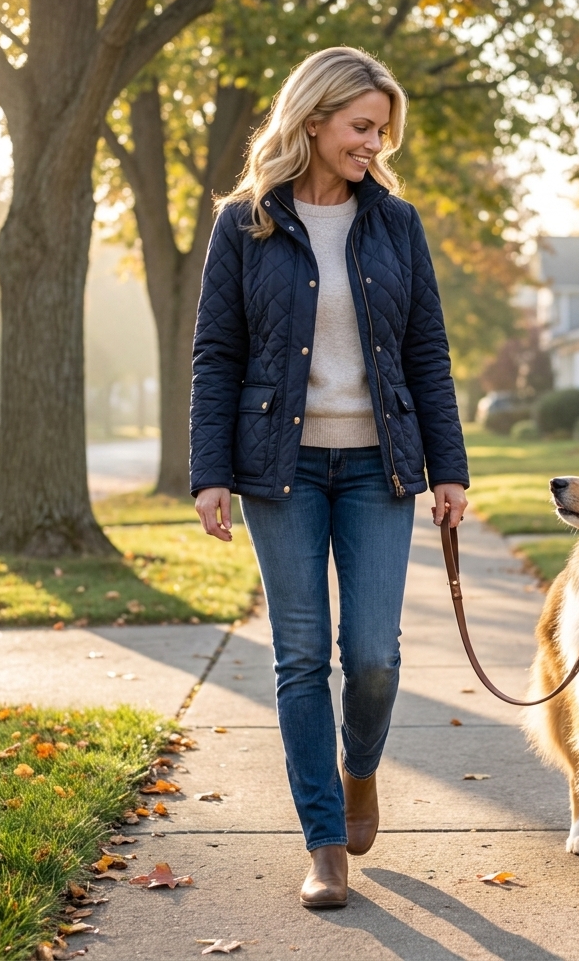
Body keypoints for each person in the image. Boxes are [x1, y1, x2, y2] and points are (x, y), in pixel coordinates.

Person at [189, 47, 469, 909]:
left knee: (375, 657)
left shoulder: (397, 222)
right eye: (360, 127)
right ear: (312, 120)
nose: (373, 143)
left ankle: (361, 771)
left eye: (381, 130)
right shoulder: (245, 223)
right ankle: (324, 847)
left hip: (379, 468)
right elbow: (218, 353)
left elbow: (427, 351)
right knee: (302, 656)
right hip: (282, 470)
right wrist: (210, 473)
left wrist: (448, 470)